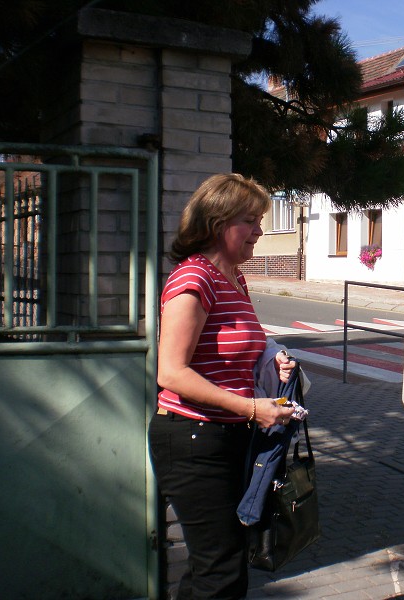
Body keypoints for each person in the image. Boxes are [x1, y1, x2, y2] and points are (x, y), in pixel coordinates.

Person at [148, 173, 297, 599]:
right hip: (192, 439)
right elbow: (171, 373)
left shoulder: (232, 277)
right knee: (223, 572)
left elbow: (233, 350)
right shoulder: (192, 279)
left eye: (260, 221)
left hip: (227, 436)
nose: (259, 232)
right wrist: (252, 409)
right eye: (249, 221)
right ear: (218, 222)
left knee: (212, 567)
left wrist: (273, 360)